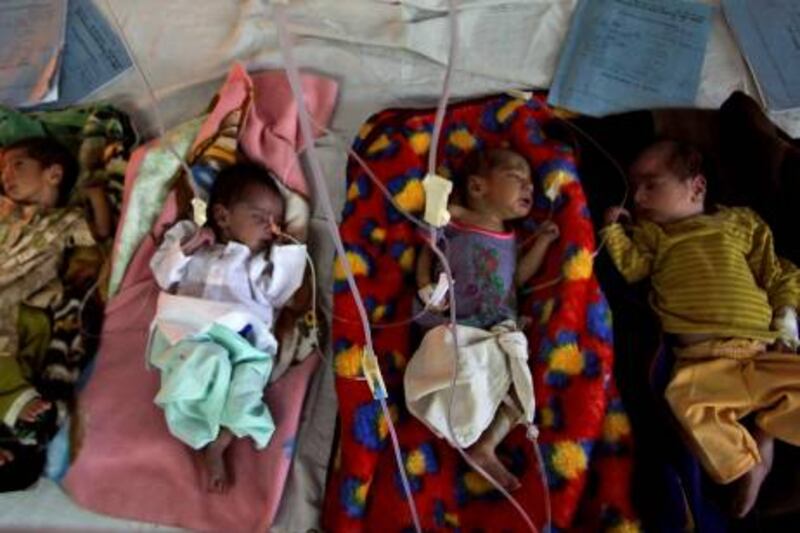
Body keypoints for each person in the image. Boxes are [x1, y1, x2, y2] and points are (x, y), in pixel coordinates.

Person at [601, 139, 800, 517]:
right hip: (703, 361)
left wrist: (786, 324)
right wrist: (613, 231)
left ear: (696, 187)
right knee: (685, 402)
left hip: (762, 352)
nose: (638, 197)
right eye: (634, 186)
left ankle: (766, 433)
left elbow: (779, 273)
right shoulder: (652, 236)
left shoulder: (738, 223)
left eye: (651, 184)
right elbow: (633, 268)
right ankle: (747, 463)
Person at [405, 148, 559, 491]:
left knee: (521, 390)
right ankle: (461, 427)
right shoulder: (453, 217)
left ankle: (485, 444)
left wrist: (544, 244)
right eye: (516, 179)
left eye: (531, 184)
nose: (528, 189)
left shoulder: (511, 237)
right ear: (478, 187)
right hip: (458, 325)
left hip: (497, 331)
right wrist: (424, 286)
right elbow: (428, 250)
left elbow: (517, 277)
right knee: (467, 374)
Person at [149, 162, 307, 493]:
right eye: (261, 219)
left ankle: (221, 441)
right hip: (190, 332)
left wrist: (288, 247)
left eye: (276, 221)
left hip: (243, 342)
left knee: (247, 389)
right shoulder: (194, 244)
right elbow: (164, 274)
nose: (271, 228)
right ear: (222, 216)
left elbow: (282, 291)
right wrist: (190, 245)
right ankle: (199, 426)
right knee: (199, 368)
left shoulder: (258, 264)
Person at [0, 137, 101, 483]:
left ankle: (16, 406)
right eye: (3, 168)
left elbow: (102, 235)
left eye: (18, 165)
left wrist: (98, 194)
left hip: (22, 309)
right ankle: (17, 420)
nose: (7, 175)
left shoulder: (66, 220)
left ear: (54, 174)